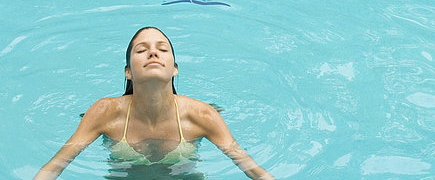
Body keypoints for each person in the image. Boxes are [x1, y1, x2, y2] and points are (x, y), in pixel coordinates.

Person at [34, 26, 276, 180]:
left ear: (175, 70)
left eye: (162, 49)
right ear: (128, 72)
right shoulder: (104, 112)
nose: (152, 53)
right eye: (142, 50)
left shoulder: (203, 115)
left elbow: (251, 168)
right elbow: (55, 166)